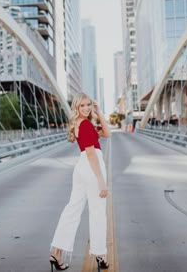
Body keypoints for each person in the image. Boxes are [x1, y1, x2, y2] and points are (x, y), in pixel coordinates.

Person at [49, 92, 111, 271]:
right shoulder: (85, 125)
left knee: (72, 211)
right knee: (98, 213)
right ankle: (100, 255)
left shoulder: (82, 124)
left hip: (81, 170)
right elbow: (91, 153)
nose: (86, 108)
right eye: (82, 105)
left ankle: (56, 253)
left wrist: (99, 112)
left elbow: (107, 133)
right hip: (92, 168)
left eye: (89, 105)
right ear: (76, 106)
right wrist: (100, 180)